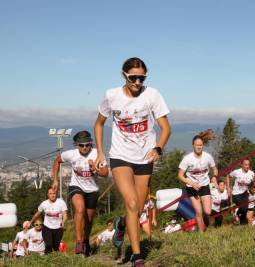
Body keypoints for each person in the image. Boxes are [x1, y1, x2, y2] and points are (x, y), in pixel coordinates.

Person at [94, 57, 171, 266]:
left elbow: (166, 128)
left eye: (141, 77)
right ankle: (137, 256)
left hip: (145, 157)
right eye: (133, 77)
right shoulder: (111, 96)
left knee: (136, 210)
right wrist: (100, 153)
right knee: (131, 203)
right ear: (124, 75)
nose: (137, 82)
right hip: (120, 156)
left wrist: (158, 148)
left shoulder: (152, 95)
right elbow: (99, 124)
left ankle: (120, 224)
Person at [52, 130, 109, 255]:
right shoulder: (71, 154)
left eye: (87, 145)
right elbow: (57, 160)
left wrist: (95, 168)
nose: (85, 148)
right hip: (76, 186)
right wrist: (55, 180)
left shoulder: (97, 154)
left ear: (91, 144)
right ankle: (78, 242)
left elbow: (105, 173)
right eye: (81, 145)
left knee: (88, 220)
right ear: (76, 145)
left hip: (92, 190)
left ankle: (85, 240)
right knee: (79, 209)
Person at [177, 130, 218, 232]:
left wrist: (214, 177)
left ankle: (204, 224)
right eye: (197, 145)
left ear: (203, 145)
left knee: (207, 211)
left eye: (200, 145)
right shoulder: (187, 159)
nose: (199, 147)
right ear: (193, 145)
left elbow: (214, 168)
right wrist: (191, 183)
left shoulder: (208, 157)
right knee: (198, 212)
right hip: (192, 188)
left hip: (204, 186)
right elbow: (180, 176)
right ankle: (201, 234)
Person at [29, 187, 67, 254]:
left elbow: (65, 215)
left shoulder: (61, 202)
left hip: (58, 228)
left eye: (54, 193)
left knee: (56, 247)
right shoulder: (44, 204)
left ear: (56, 194)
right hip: (47, 227)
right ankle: (46, 259)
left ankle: (54, 260)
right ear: (48, 195)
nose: (52, 195)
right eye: (50, 193)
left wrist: (63, 222)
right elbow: (37, 213)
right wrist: (30, 222)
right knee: (49, 245)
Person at [226, 159, 255, 225]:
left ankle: (243, 225)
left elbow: (253, 183)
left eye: (248, 165)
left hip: (245, 193)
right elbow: (228, 177)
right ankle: (236, 214)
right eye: (245, 165)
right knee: (243, 207)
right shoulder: (237, 172)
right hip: (236, 194)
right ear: (242, 165)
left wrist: (253, 187)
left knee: (245, 209)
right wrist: (228, 188)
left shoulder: (252, 173)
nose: (247, 166)